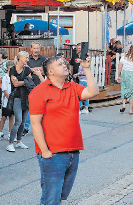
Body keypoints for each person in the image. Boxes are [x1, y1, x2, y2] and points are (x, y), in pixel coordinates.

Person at [29, 55, 100, 205]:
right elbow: (35, 124)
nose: (64, 65)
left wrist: (86, 69)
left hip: (73, 151)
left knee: (61, 197)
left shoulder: (72, 86)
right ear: (50, 72)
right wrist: (45, 152)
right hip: (53, 153)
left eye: (63, 63)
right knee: (50, 199)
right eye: (59, 64)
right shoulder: (39, 91)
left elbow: (93, 92)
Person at [6, 51, 44, 153]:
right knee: (18, 121)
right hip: (17, 97)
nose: (28, 59)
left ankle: (19, 141)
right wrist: (25, 81)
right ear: (20, 58)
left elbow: (29, 82)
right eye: (26, 58)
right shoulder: (13, 69)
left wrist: (22, 82)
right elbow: (15, 84)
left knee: (23, 122)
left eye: (28, 58)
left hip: (26, 97)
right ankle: (10, 143)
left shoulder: (27, 69)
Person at [0, 60, 15, 142]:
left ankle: (10, 133)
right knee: (3, 117)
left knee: (12, 117)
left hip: (12, 100)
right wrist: (10, 100)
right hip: (6, 101)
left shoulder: (14, 77)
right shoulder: (5, 78)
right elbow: (4, 90)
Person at [117, 45, 133, 115]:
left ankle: (123, 104)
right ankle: (131, 110)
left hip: (125, 74)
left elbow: (119, 67)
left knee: (124, 89)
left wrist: (118, 76)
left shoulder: (124, 57)